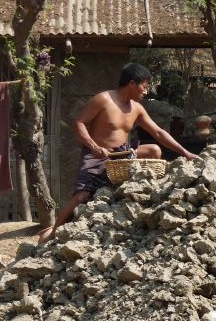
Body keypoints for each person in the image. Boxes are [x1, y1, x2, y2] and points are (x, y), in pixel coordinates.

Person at [37, 63, 198, 244]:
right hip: (96, 156)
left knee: (154, 149)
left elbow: (159, 133)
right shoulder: (103, 99)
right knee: (81, 197)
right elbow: (79, 123)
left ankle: (138, 197)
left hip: (123, 157)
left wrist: (185, 153)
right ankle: (53, 234)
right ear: (132, 83)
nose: (146, 92)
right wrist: (93, 146)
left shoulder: (136, 108)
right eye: (144, 87)